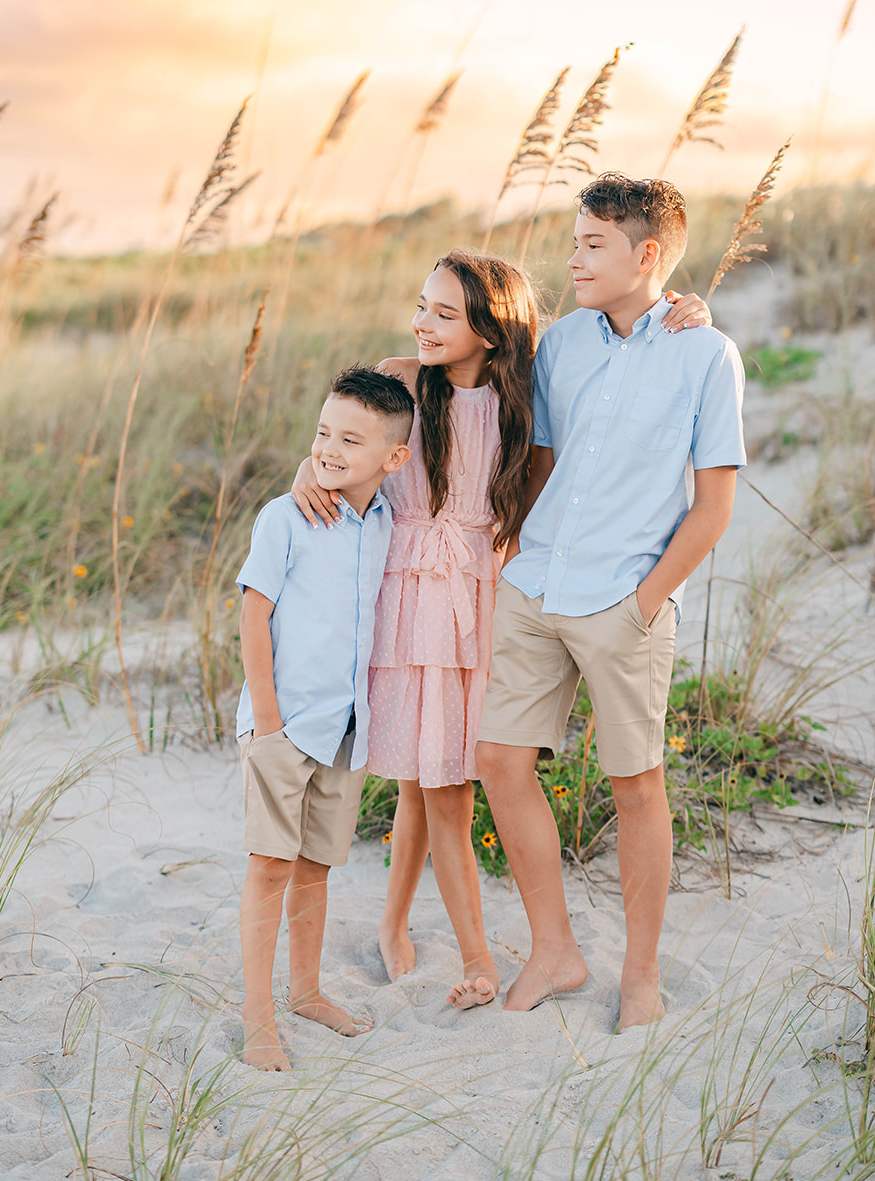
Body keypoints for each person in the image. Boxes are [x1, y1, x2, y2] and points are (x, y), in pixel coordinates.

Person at [292, 248, 713, 1010]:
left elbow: (619, 345)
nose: (423, 323)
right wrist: (306, 469)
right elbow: (338, 442)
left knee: (442, 773)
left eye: (444, 313)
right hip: (412, 598)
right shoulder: (400, 382)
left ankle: (415, 931)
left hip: (488, 596)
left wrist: (688, 311)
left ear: (490, 329)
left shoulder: (528, 386)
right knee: (429, 776)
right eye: (421, 306)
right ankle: (443, 943)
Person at [475, 174, 747, 1029]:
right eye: (575, 240)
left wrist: (645, 600)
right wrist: (517, 550)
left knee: (636, 784)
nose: (573, 257)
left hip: (623, 596)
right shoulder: (562, 342)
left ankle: (638, 975)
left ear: (647, 254)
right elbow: (540, 460)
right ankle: (554, 951)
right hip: (535, 583)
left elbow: (713, 507)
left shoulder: (705, 353)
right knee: (499, 761)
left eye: (593, 243)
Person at [236, 365, 414, 1070]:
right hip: (285, 725)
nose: (331, 450)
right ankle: (257, 1018)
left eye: (351, 439)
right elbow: (254, 613)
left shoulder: (386, 523)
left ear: (393, 459)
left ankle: (306, 991)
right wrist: (270, 721)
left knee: (315, 868)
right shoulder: (287, 516)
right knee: (270, 867)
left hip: (345, 729)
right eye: (322, 435)